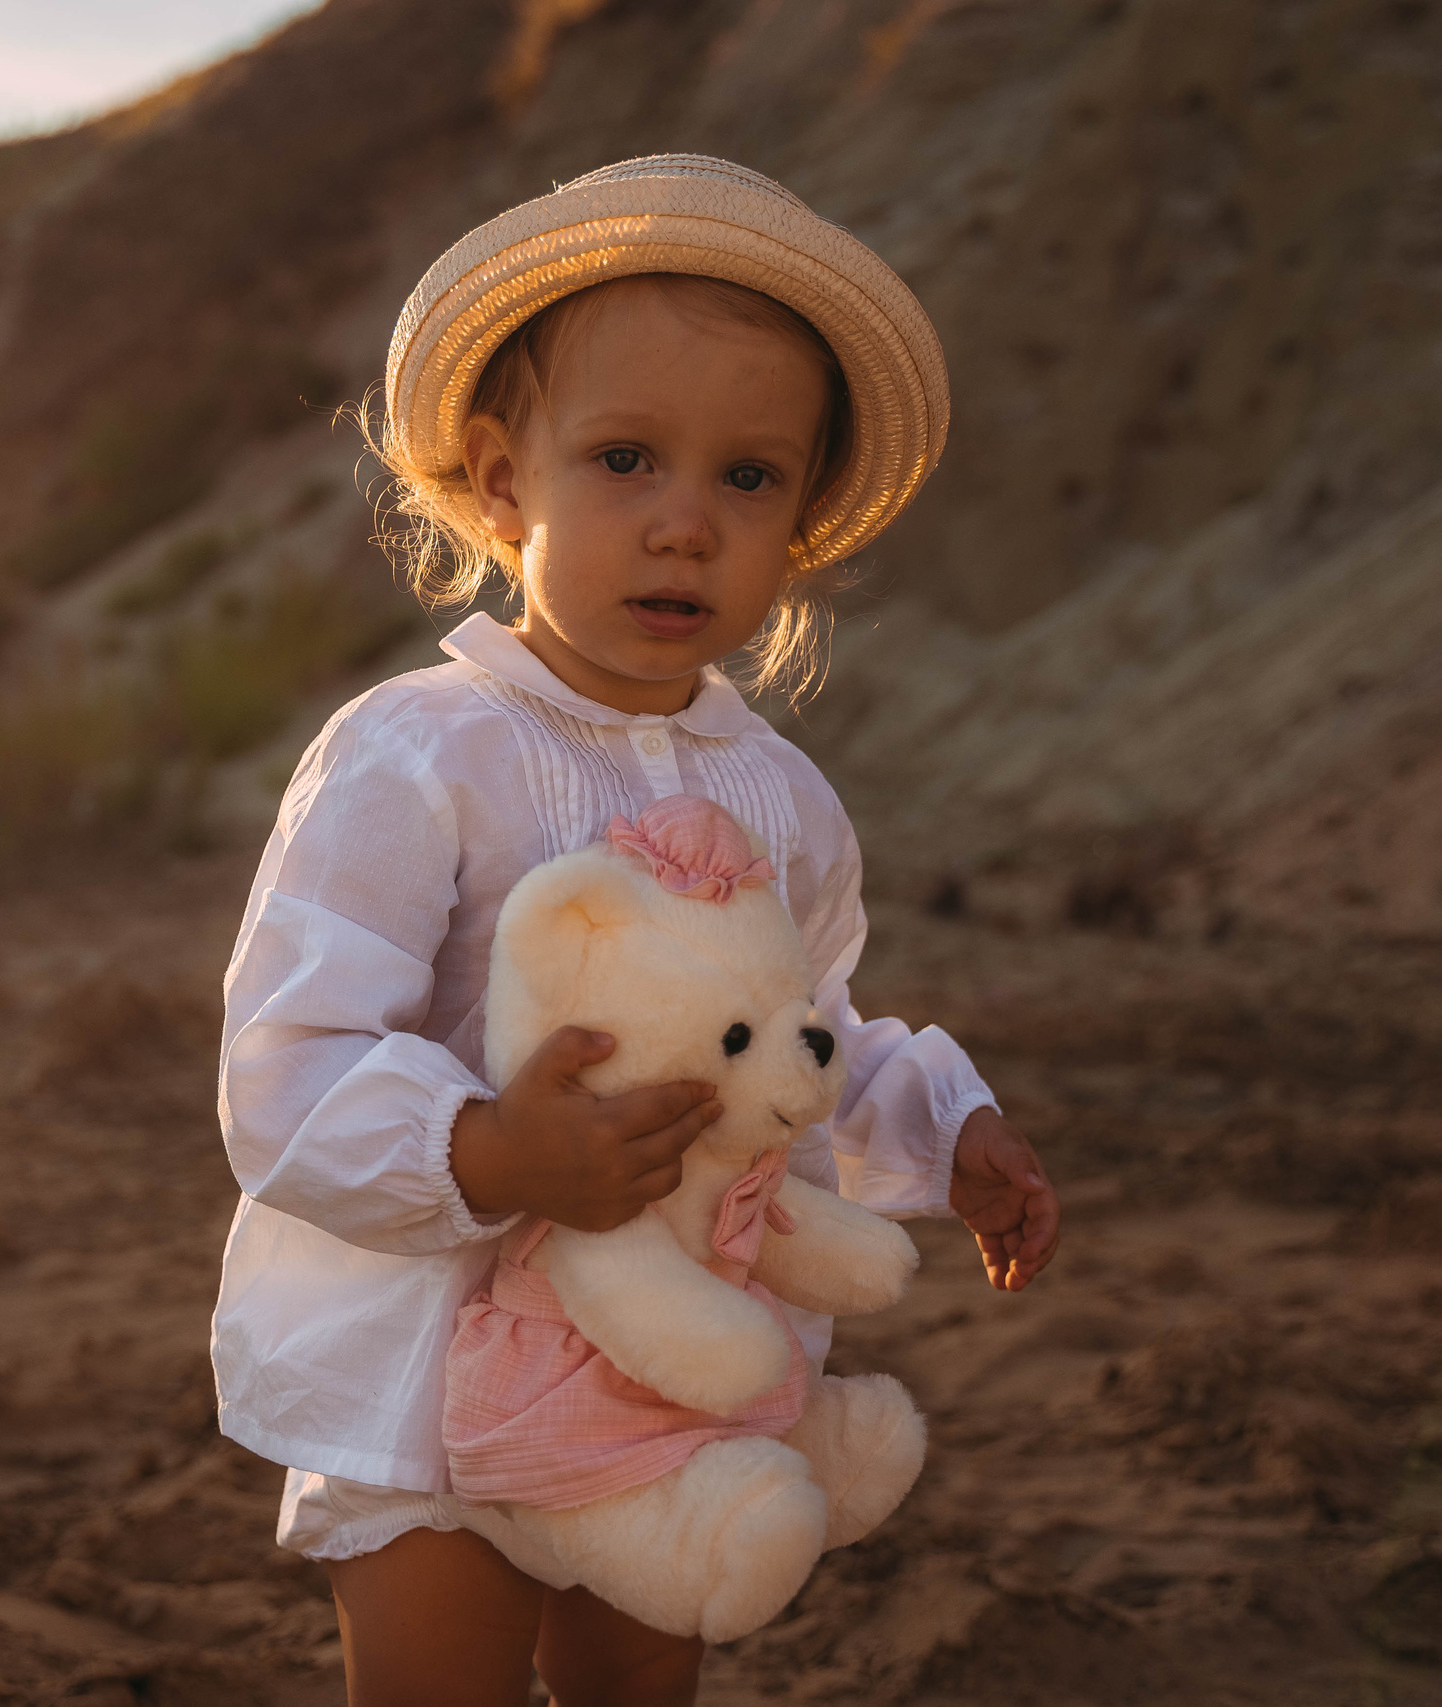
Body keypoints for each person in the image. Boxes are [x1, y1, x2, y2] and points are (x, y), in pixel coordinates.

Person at [211, 155, 1061, 1706]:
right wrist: (486, 1153)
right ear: (499, 478)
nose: (685, 523)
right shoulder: (416, 752)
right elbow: (291, 1057)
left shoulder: (781, 796)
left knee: (637, 1676)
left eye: (748, 479)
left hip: (659, 1353)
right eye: (624, 459)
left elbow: (799, 1046)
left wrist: (947, 1134)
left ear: (800, 524)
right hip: (428, 1343)